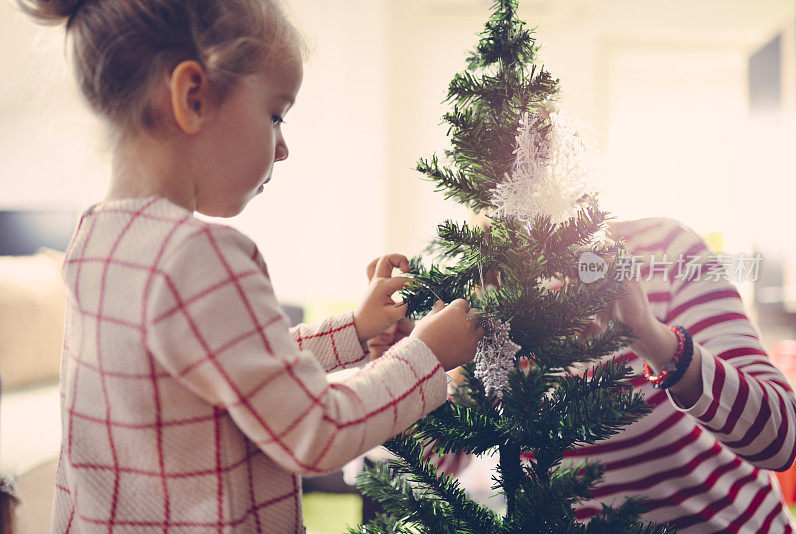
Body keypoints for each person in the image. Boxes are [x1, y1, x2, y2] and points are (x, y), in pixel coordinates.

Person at [18, 1, 485, 532]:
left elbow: (232, 366)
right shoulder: (198, 256)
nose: (282, 148)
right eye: (275, 114)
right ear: (193, 98)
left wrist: (353, 330)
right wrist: (429, 352)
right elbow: (315, 430)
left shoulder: (97, 238)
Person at [376, 216, 796, 532]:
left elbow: (780, 439)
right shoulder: (482, 306)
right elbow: (415, 474)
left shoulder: (667, 250)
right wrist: (409, 366)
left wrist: (650, 337)